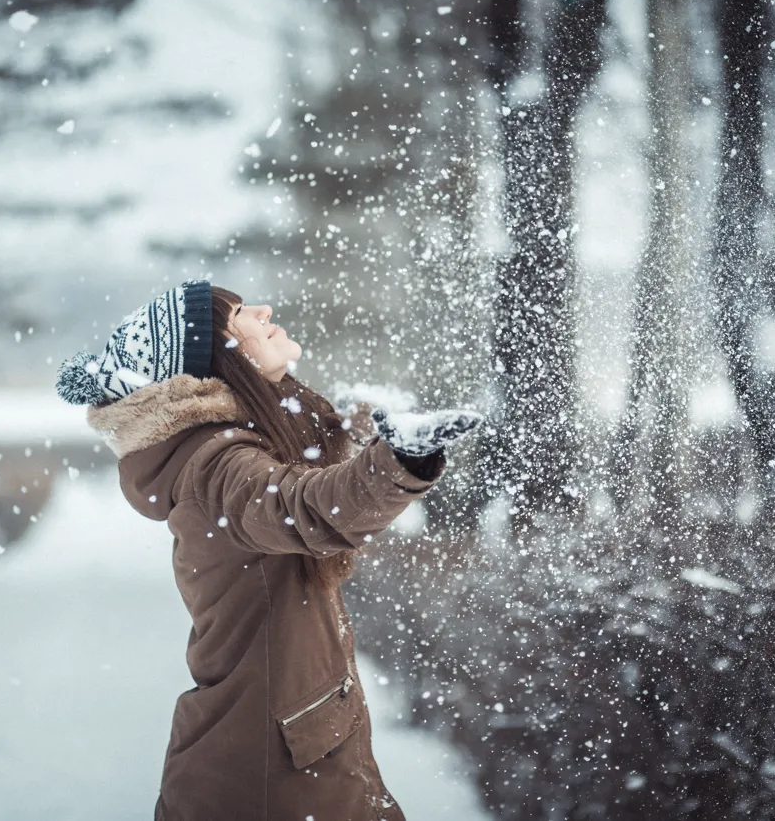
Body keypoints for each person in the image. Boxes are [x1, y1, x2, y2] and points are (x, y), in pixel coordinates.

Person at [56, 279, 482, 821]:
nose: (264, 310)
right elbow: (301, 507)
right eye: (239, 315)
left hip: (280, 745)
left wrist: (354, 429)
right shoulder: (216, 466)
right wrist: (400, 462)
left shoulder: (221, 450)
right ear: (215, 366)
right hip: (266, 770)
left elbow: (298, 476)